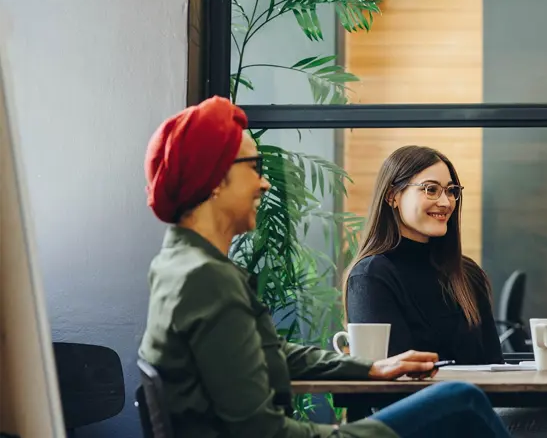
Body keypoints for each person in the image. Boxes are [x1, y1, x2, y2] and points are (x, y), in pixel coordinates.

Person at [137, 97, 510, 438]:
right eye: (255, 167)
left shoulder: (184, 267)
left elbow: (272, 354)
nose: (265, 184)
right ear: (216, 179)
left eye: (451, 192)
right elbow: (261, 431)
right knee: (460, 399)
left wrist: (369, 368)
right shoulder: (206, 278)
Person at [344, 145, 547, 437]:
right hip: (413, 421)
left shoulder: (466, 274)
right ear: (392, 196)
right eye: (430, 189)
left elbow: (493, 365)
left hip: (475, 412)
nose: (445, 201)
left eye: (451, 191)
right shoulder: (372, 275)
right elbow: (388, 391)